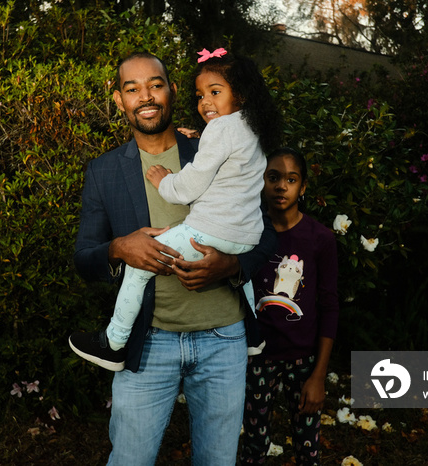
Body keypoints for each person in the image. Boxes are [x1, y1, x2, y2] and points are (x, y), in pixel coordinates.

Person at [70, 51, 278, 465]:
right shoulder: (105, 171)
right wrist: (119, 248)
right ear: (119, 100)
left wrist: (232, 266)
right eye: (132, 88)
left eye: (156, 84)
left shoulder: (208, 145)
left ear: (172, 91)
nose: (145, 96)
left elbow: (265, 232)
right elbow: (84, 258)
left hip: (224, 340)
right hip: (149, 344)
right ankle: (115, 342)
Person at [239, 147, 340, 466]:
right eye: (273, 178)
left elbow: (329, 306)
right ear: (262, 181)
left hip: (304, 362)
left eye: (291, 179)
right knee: (253, 446)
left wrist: (319, 376)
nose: (281, 186)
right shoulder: (247, 232)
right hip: (257, 358)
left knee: (308, 449)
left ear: (303, 187)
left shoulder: (319, 238)